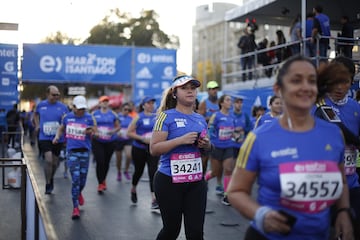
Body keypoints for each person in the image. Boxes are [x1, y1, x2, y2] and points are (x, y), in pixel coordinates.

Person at [227, 55, 353, 240]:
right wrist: (261, 215)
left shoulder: (334, 134)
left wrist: (343, 211)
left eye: (311, 81)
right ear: (278, 89)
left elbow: (341, 181)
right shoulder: (258, 138)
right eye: (296, 80)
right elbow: (235, 191)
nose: (305, 87)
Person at [150, 75, 211, 240]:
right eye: (184, 88)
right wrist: (180, 140)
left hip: (196, 182)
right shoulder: (165, 116)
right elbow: (154, 149)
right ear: (174, 93)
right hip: (169, 181)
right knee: (171, 230)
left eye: (193, 87)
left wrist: (205, 146)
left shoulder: (200, 119)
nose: (190, 91)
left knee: (196, 233)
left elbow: (207, 150)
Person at [314, 60, 360, 239]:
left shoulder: (355, 108)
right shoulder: (316, 105)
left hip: (351, 183)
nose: (340, 87)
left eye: (346, 81)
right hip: (321, 186)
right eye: (336, 81)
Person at [53, 95, 96, 219]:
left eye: (83, 108)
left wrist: (90, 131)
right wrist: (57, 137)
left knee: (82, 180)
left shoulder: (89, 117)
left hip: (85, 152)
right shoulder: (67, 117)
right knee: (75, 179)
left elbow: (95, 129)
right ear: (74, 107)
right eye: (79, 108)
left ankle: (79, 192)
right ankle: (75, 207)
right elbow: (61, 128)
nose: (81, 111)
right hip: (72, 152)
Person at [34, 85, 69, 194]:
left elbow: (67, 121)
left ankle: (51, 177)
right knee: (48, 160)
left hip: (58, 138)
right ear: (47, 94)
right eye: (54, 95)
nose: (56, 97)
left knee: (55, 163)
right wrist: (37, 125)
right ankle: (48, 182)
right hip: (44, 137)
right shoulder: (41, 105)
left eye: (58, 94)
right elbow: (35, 115)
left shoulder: (63, 107)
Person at [127, 96, 159, 209]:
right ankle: (133, 188)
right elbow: (129, 132)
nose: (151, 105)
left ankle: (154, 198)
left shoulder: (157, 117)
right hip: (139, 148)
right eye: (148, 103)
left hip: (152, 149)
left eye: (152, 103)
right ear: (143, 105)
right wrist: (142, 138)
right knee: (138, 171)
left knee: (153, 172)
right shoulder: (138, 117)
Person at [205, 94, 235, 205]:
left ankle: (227, 195)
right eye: (227, 100)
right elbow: (210, 130)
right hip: (216, 147)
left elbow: (232, 130)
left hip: (228, 146)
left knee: (228, 169)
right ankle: (204, 180)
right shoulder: (216, 116)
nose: (230, 102)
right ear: (221, 103)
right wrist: (208, 141)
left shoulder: (232, 116)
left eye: (230, 100)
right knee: (215, 172)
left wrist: (235, 135)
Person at [91, 95, 120, 194]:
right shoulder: (94, 114)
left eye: (107, 101)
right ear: (99, 103)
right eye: (103, 101)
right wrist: (95, 132)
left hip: (110, 141)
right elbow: (91, 125)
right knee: (100, 161)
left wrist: (113, 131)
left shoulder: (113, 114)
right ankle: (100, 183)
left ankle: (103, 180)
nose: (105, 103)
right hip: (98, 141)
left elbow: (118, 127)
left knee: (106, 162)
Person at [198, 80, 220, 175]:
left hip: (218, 136)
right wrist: (211, 118)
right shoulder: (204, 103)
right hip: (207, 135)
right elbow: (199, 118)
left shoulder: (220, 102)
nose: (214, 91)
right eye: (212, 89)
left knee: (219, 163)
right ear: (208, 91)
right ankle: (202, 178)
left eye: (216, 89)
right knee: (204, 160)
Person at [114, 102, 133, 182]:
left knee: (129, 155)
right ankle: (119, 172)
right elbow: (113, 127)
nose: (127, 111)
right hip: (118, 140)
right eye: (125, 109)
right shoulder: (117, 117)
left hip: (128, 140)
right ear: (121, 109)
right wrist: (117, 132)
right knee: (119, 159)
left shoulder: (131, 118)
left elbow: (133, 128)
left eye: (128, 110)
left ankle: (126, 170)